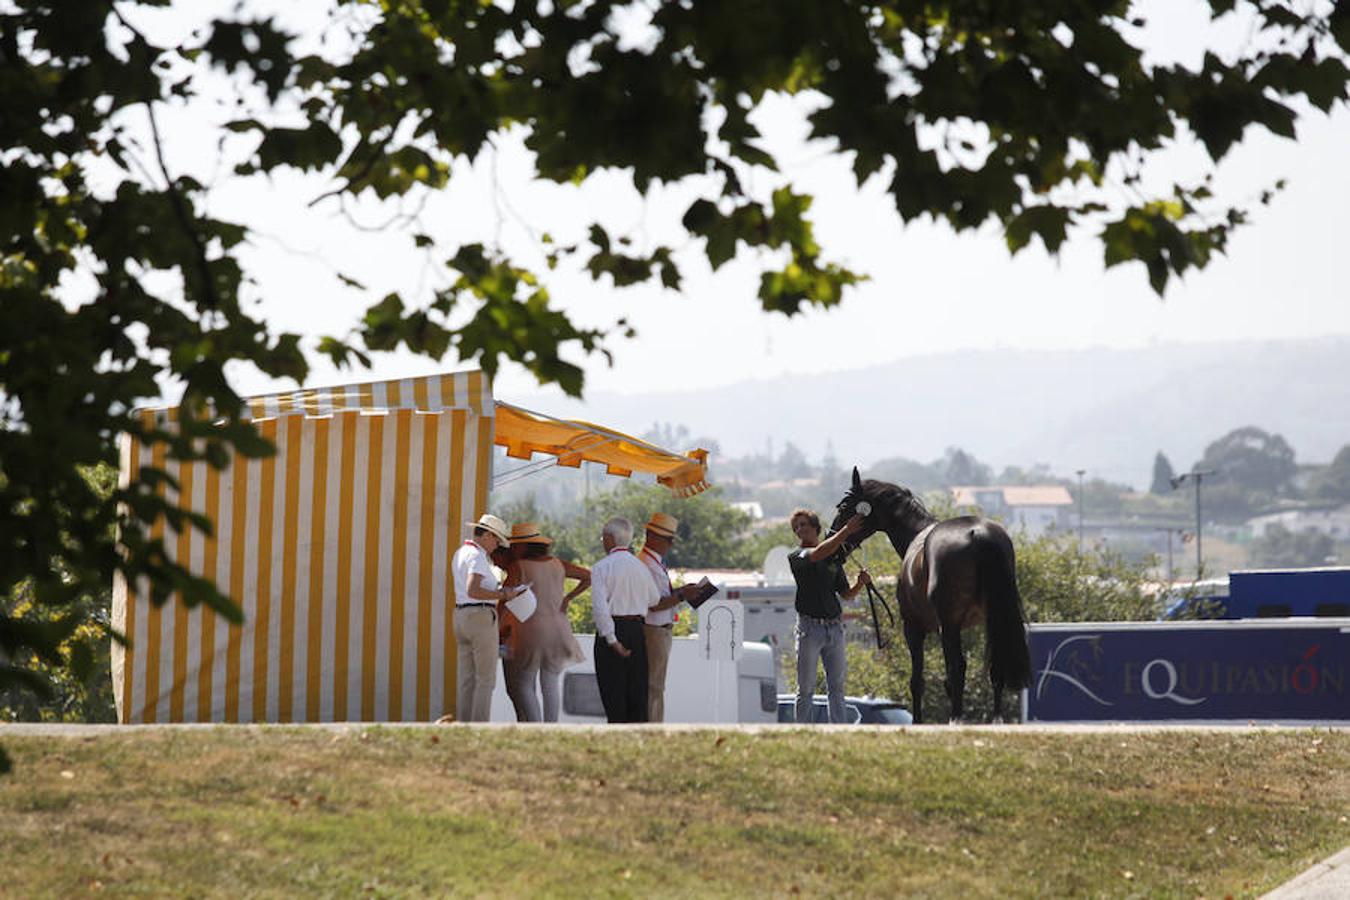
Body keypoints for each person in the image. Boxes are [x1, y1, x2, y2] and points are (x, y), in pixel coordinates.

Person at [499, 522, 589, 722]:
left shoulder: (518, 567)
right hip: (559, 629)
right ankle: (551, 728)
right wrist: (568, 598)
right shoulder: (558, 564)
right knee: (550, 681)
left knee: (524, 683)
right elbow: (588, 576)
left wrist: (498, 629)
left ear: (522, 546)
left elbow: (504, 601)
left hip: (531, 630)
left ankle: (535, 726)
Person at [788, 507, 871, 724]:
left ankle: (839, 729)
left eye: (803, 524)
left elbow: (846, 594)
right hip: (809, 628)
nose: (799, 529)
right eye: (796, 527)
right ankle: (803, 731)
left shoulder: (833, 559)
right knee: (806, 687)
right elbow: (817, 554)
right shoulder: (797, 556)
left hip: (834, 627)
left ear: (815, 527)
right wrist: (845, 531)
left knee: (837, 686)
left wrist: (860, 584)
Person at [451, 513, 524, 722]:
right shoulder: (477, 556)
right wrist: (503, 594)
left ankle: (464, 724)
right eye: (497, 540)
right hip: (480, 616)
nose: (497, 545)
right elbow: (473, 589)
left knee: (467, 679)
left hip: (461, 615)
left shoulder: (461, 552)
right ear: (487, 535)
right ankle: (480, 725)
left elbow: (470, 589)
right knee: (485, 679)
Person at [589, 516, 660, 723]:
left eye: (603, 537)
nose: (603, 541)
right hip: (637, 630)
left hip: (614, 630)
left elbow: (601, 609)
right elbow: (654, 598)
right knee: (637, 695)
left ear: (610, 538)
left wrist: (612, 640)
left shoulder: (602, 567)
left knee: (614, 695)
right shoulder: (640, 567)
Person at [637, 512, 698, 722]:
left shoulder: (652, 561)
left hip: (659, 629)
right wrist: (682, 595)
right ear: (652, 536)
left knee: (655, 686)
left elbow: (659, 598)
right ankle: (652, 728)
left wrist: (682, 591)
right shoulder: (647, 563)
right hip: (654, 629)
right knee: (654, 687)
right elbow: (654, 604)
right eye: (668, 539)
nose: (671, 545)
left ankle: (652, 725)